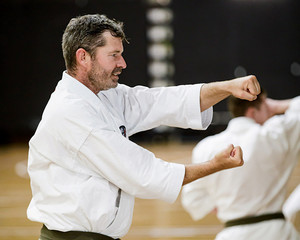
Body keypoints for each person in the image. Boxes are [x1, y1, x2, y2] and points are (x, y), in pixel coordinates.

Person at [27, 14, 261, 240]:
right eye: (114, 55)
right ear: (83, 57)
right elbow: (142, 173)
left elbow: (160, 102)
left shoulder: (104, 96)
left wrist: (227, 87)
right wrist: (214, 165)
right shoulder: (72, 112)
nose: (122, 63)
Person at [181, 90, 300, 239]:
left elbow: (193, 200)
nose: (270, 113)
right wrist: (276, 105)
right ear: (252, 111)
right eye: (266, 107)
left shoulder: (205, 147)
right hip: (277, 234)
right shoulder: (275, 133)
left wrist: (228, 204)